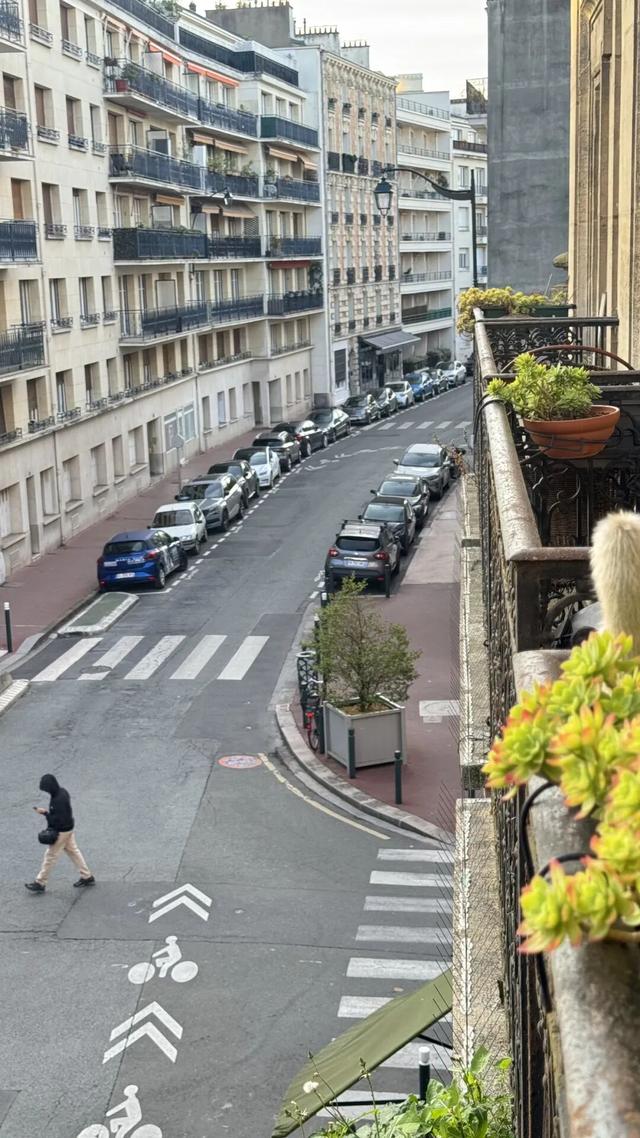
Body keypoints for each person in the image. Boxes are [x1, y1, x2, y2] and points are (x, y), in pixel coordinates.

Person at [25, 774, 95, 893]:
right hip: (69, 828)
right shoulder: (63, 792)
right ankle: (87, 876)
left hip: (62, 831)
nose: (46, 791)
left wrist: (45, 813)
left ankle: (40, 882)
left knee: (50, 856)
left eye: (46, 789)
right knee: (73, 852)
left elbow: (57, 820)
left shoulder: (57, 801)